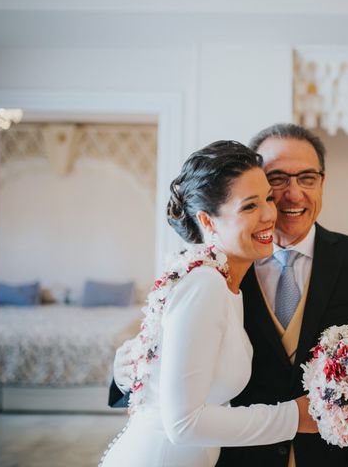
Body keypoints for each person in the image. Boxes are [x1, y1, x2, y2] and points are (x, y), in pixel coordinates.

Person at [111, 124, 348, 466]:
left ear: (323, 183)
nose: (291, 195)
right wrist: (123, 374)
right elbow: (165, 368)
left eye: (307, 178)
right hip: (241, 459)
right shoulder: (208, 271)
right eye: (277, 180)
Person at [101, 140, 317, 467]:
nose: (269, 214)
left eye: (267, 199)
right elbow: (182, 423)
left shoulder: (224, 284)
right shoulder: (205, 285)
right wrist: (292, 417)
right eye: (249, 206)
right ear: (208, 221)